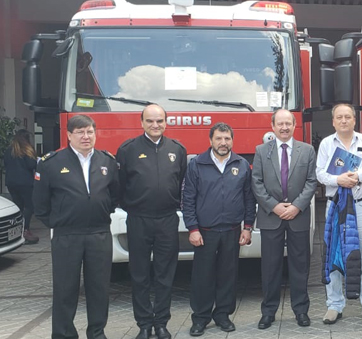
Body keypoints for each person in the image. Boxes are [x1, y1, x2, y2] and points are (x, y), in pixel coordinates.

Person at [33, 115, 119, 339]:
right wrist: (59, 222)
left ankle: (97, 333)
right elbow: (40, 204)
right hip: (67, 235)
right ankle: (63, 334)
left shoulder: (107, 161)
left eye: (90, 131)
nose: (86, 136)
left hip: (99, 234)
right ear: (69, 135)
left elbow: (115, 196)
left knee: (99, 290)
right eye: (80, 132)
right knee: (65, 290)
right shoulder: (51, 163)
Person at [116, 104, 187, 339]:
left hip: (167, 219)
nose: (155, 125)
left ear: (166, 122)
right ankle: (144, 324)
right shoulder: (128, 150)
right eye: (150, 121)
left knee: (165, 274)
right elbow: (120, 185)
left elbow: (181, 182)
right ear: (142, 122)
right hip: (139, 220)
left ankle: (161, 323)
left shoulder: (177, 149)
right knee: (139, 274)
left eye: (159, 121)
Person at [181, 122, 255, 337]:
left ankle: (222, 314)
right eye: (219, 139)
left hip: (232, 230)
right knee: (202, 276)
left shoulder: (241, 164)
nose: (223, 143)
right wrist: (192, 228)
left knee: (228, 275)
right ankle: (201, 317)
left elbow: (249, 199)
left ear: (232, 140)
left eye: (227, 139)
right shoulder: (197, 165)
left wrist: (247, 227)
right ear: (210, 141)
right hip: (204, 231)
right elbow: (188, 199)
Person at [316, 103, 362, 324]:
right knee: (334, 253)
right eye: (339, 117)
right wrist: (338, 180)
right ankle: (334, 305)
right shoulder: (327, 143)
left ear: (355, 120)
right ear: (333, 121)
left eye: (348, 117)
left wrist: (358, 175)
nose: (344, 120)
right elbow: (320, 173)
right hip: (335, 205)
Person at [252, 109, 317, 329]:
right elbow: (257, 184)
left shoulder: (307, 150)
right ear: (272, 126)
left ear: (294, 124)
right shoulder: (261, 151)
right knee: (270, 267)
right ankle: (268, 312)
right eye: (280, 124)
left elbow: (311, 182)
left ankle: (301, 310)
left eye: (288, 123)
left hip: (298, 216)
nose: (284, 127)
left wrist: (297, 206)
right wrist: (275, 206)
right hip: (272, 216)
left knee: (300, 266)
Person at [4, 129, 39, 244]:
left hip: (11, 182)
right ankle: (25, 229)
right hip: (25, 182)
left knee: (18, 206)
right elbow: (31, 165)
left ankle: (16, 230)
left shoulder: (9, 150)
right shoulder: (26, 150)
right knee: (29, 206)